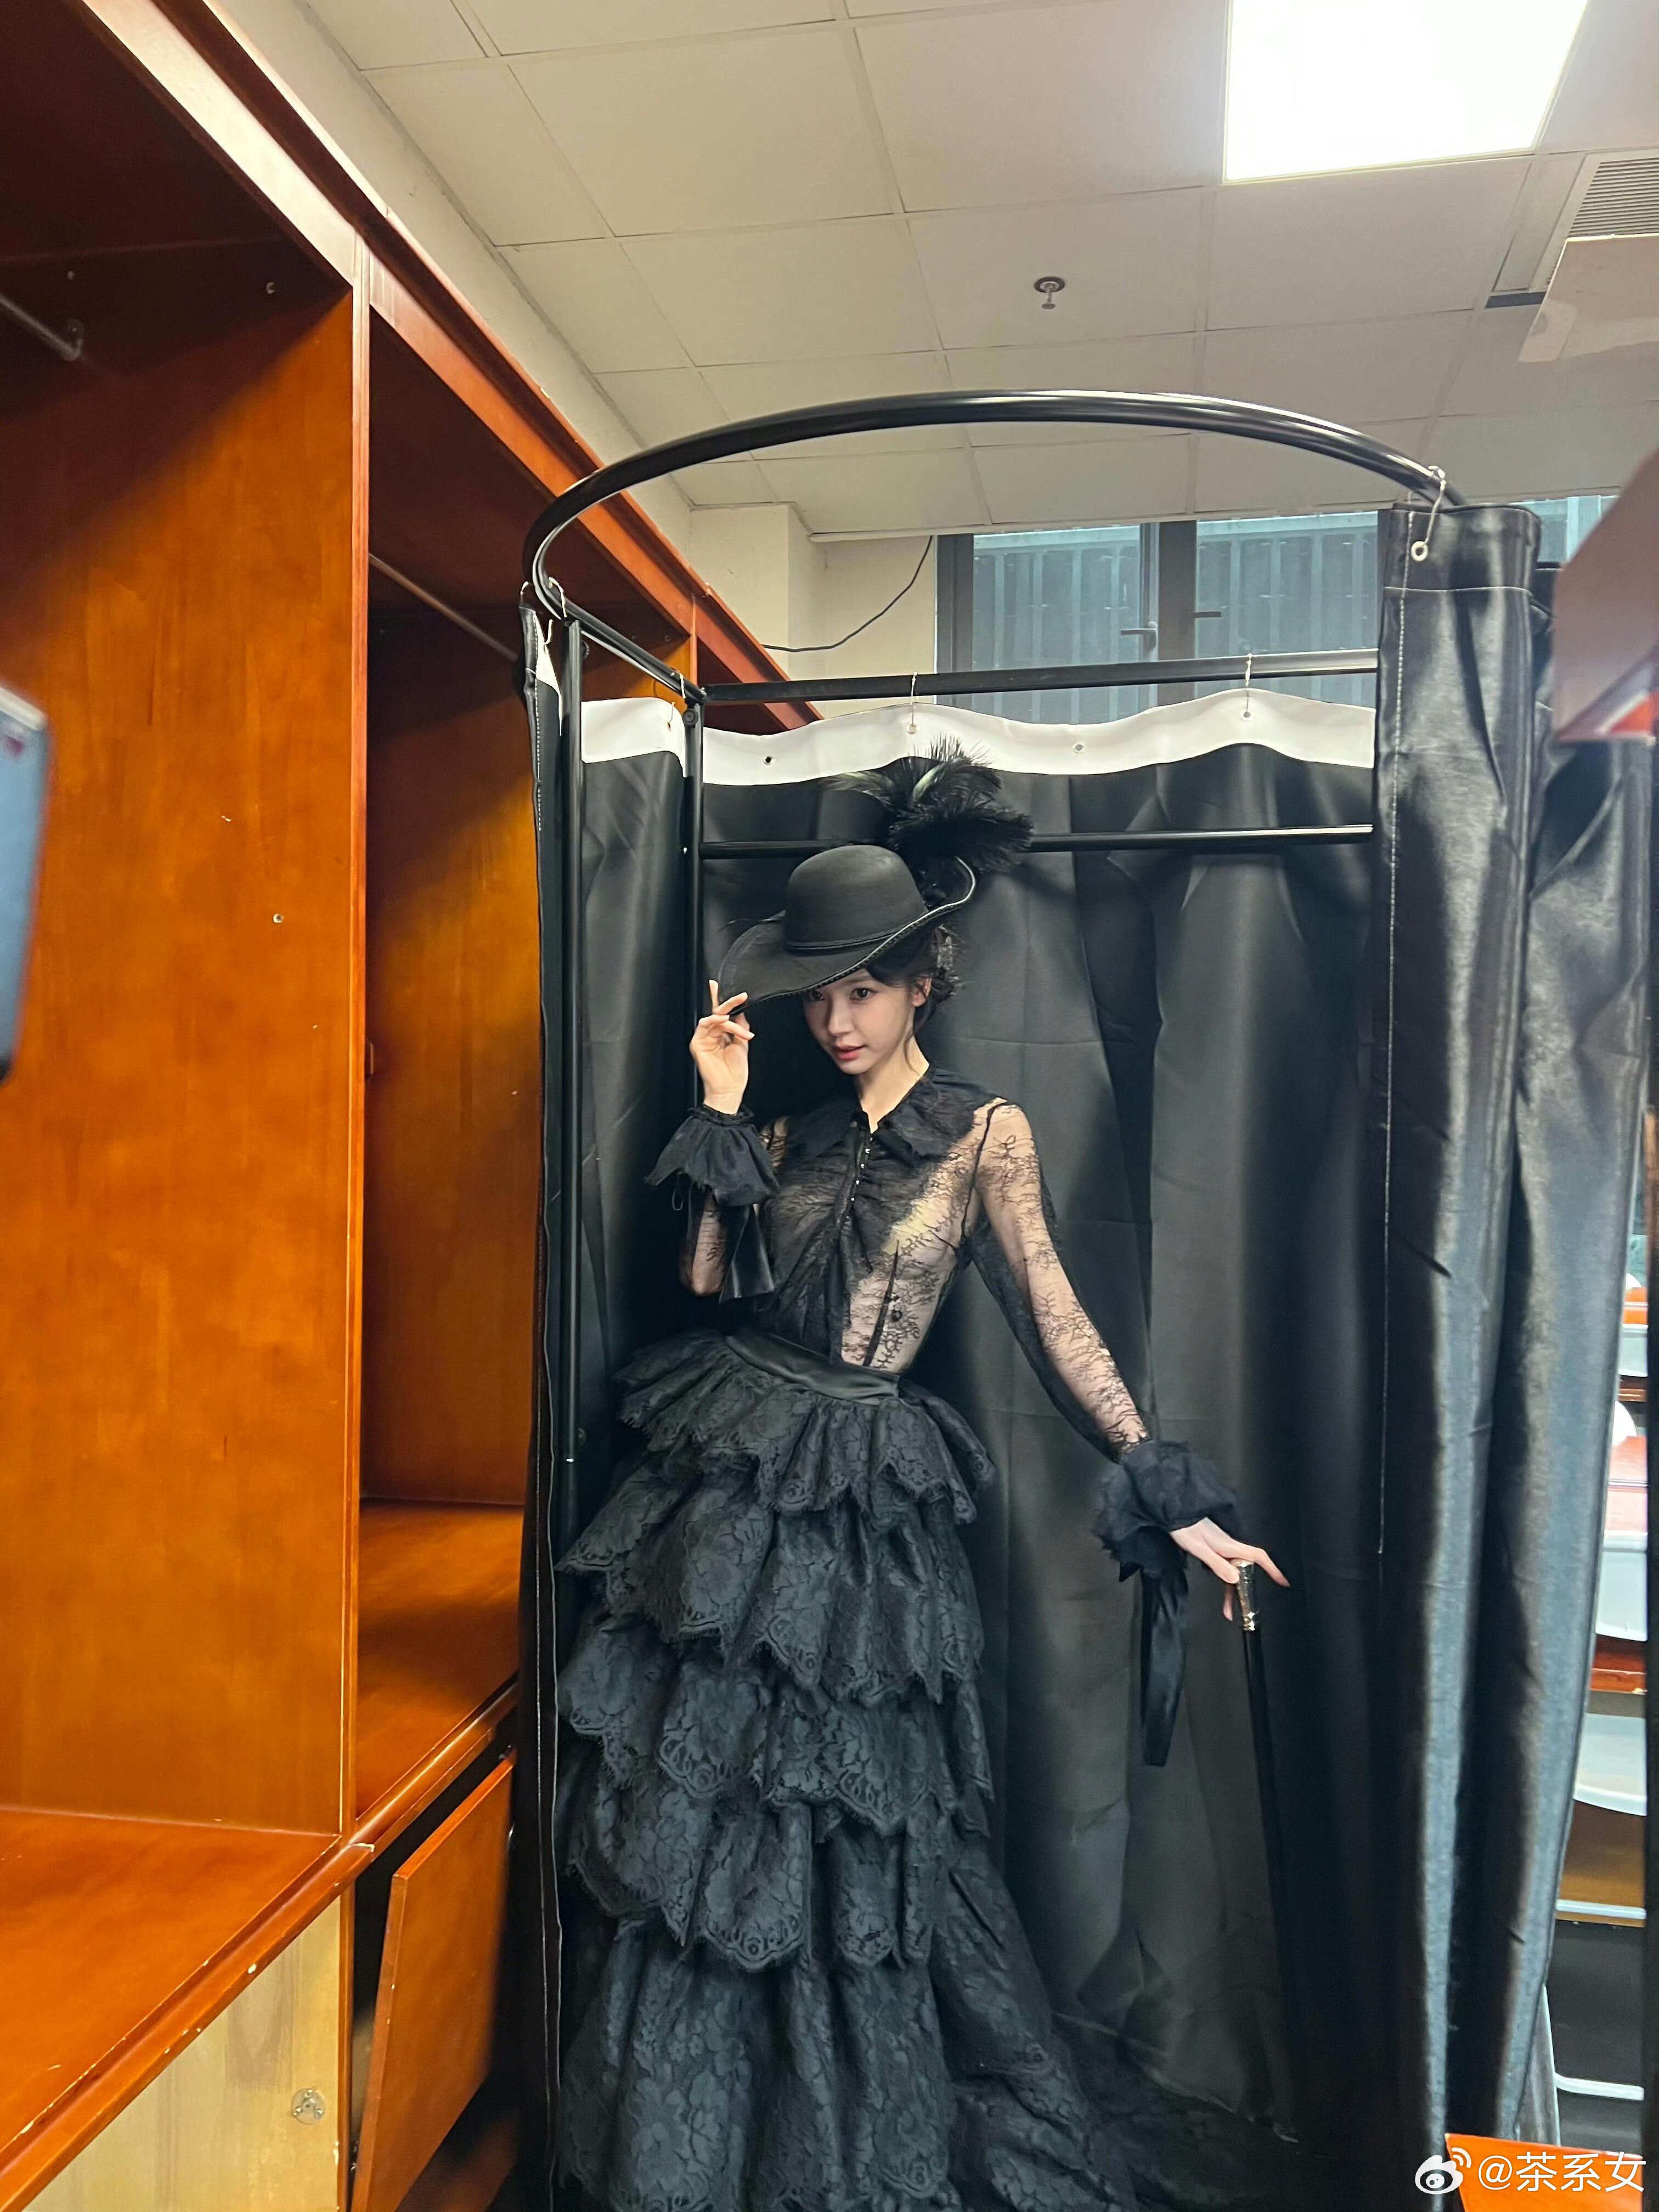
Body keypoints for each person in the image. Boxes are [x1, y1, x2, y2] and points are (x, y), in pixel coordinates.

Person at [552, 746, 1286, 2212]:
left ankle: (820, 2136)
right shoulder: (784, 1125)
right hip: (728, 1483)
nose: (839, 1019)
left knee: (843, 1832)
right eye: (821, 994)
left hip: (857, 1505)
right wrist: (720, 1102)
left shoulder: (985, 1134)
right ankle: (692, 2145)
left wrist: (1168, 1488)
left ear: (925, 984)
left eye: (867, 990)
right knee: (713, 1823)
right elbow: (704, 1282)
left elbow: (1054, 1316)